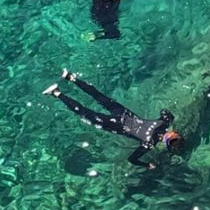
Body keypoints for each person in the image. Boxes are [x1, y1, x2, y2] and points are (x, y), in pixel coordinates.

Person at [43, 69, 183, 170]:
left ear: (173, 133)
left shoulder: (164, 122)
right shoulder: (149, 144)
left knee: (98, 96)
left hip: (125, 113)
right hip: (115, 126)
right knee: (84, 112)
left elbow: (165, 111)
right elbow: (132, 159)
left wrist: (170, 123)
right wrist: (147, 165)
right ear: (166, 145)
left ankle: (70, 77)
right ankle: (56, 93)